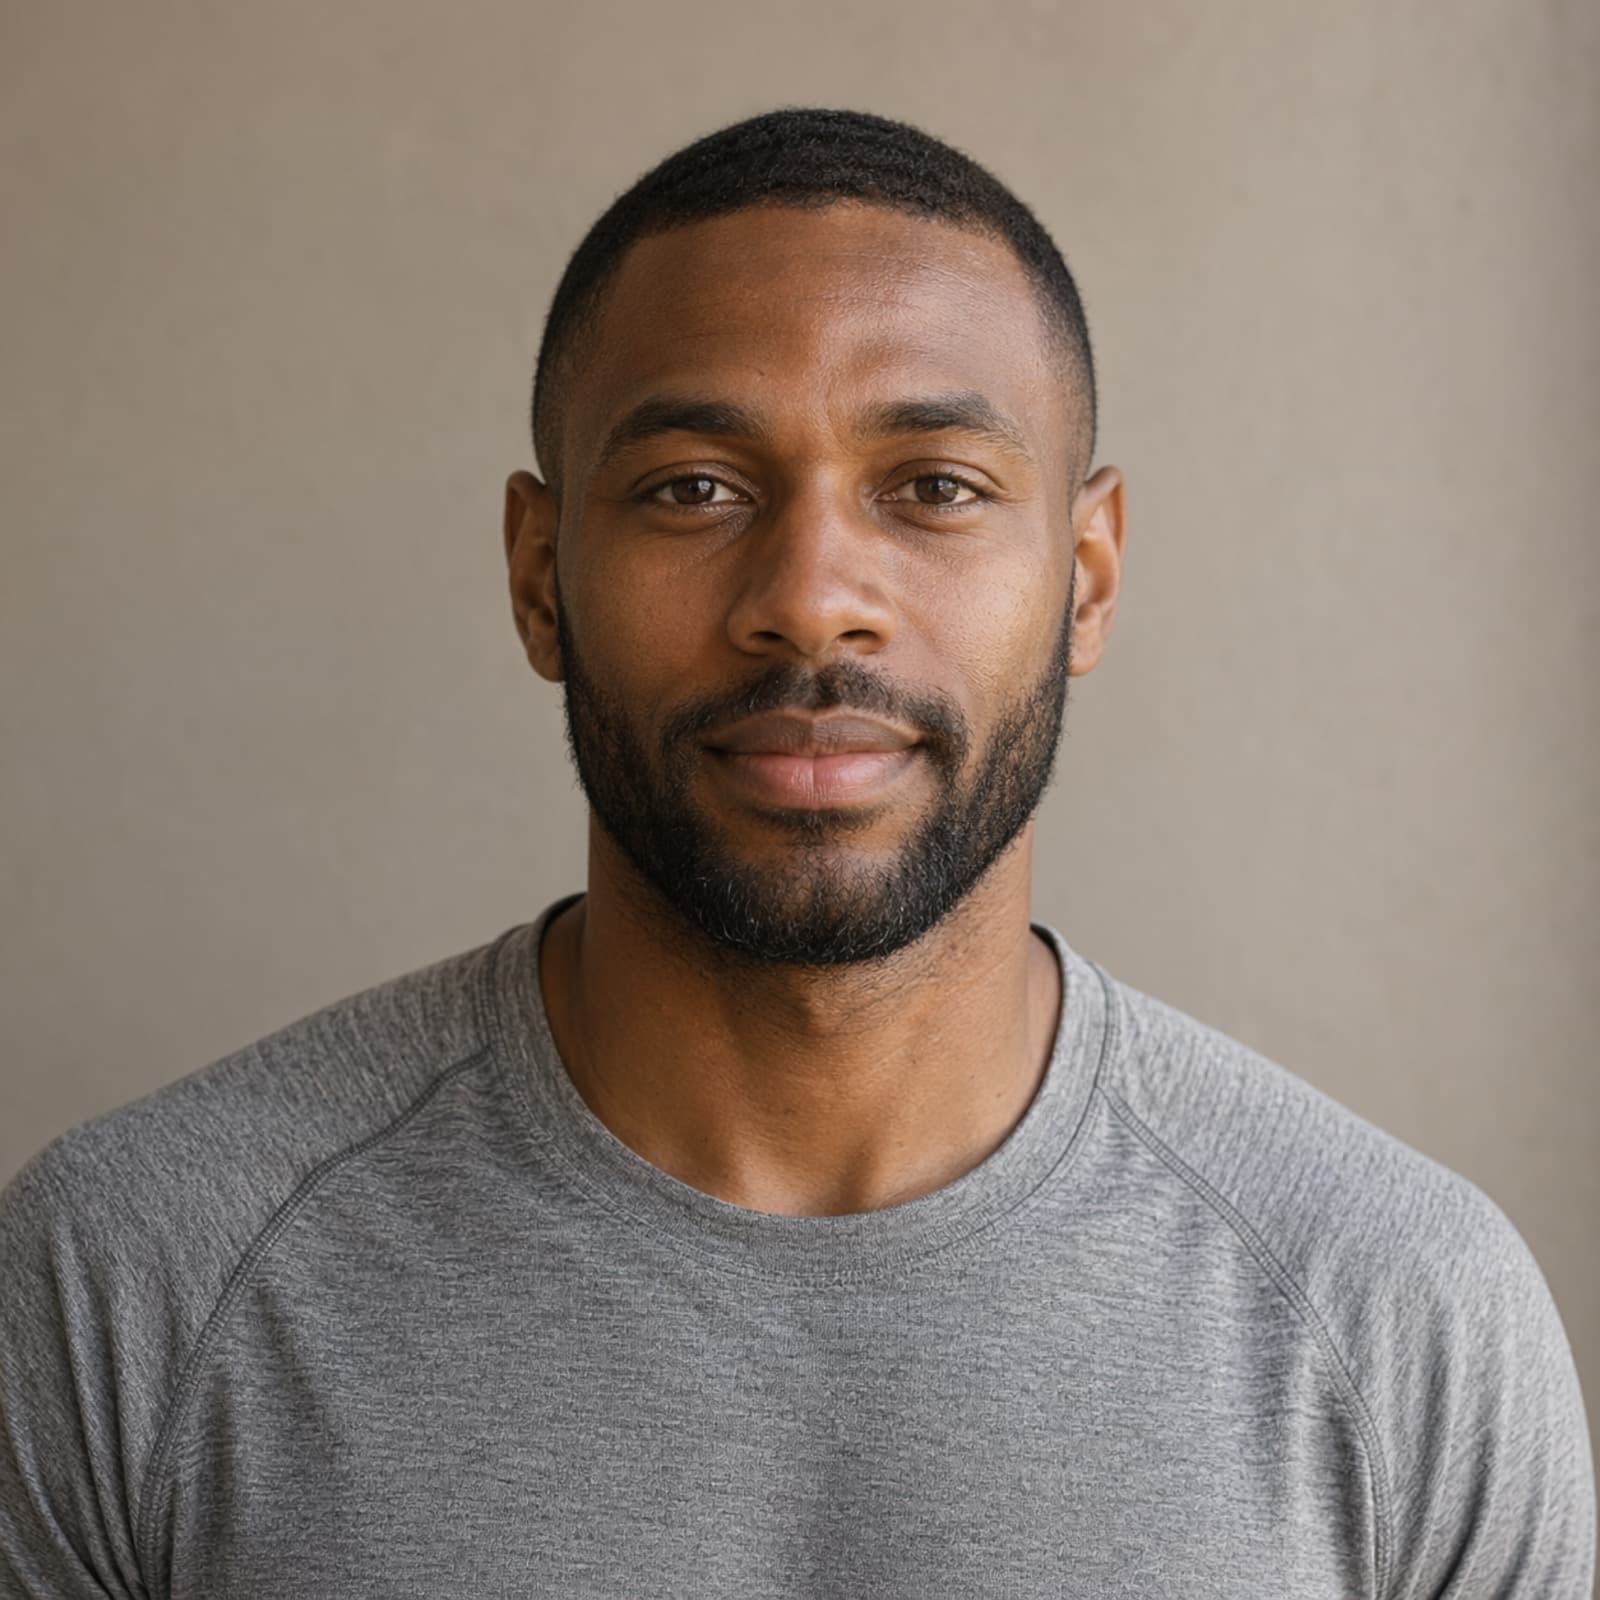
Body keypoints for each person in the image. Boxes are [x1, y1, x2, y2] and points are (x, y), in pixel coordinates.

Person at [0, 107, 1591, 1599]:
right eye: (694, 489)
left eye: (936, 489)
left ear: (1088, 579)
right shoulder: (131, 1283)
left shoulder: (1402, 1321)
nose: (813, 594)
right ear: (541, 576)